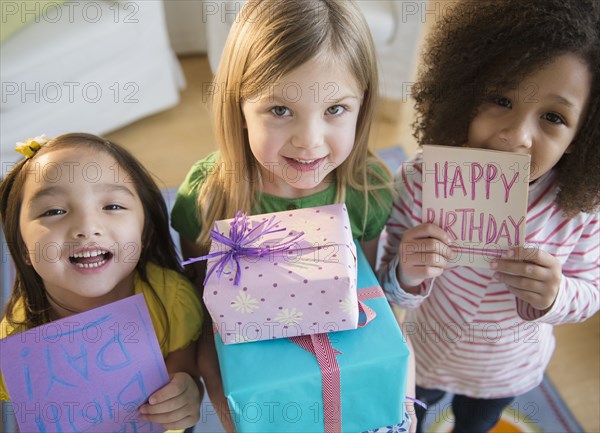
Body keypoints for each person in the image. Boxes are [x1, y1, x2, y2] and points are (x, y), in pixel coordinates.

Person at [170, 1, 412, 431]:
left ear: (364, 105)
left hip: (342, 392)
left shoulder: (367, 190)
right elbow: (202, 309)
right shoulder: (209, 194)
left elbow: (368, 295)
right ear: (239, 108)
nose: (309, 141)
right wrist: (229, 410)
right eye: (280, 110)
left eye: (335, 109)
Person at [378, 0, 600, 432]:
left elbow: (589, 292)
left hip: (507, 372)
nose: (515, 135)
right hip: (425, 354)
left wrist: (555, 293)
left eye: (553, 117)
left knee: (476, 426)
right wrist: (406, 271)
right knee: (410, 419)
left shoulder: (580, 213)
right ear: (465, 91)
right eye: (501, 99)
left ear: (580, 136)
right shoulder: (421, 179)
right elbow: (387, 285)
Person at [0, 133, 204, 432]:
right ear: (22, 249)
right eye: (54, 211)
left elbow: (184, 371)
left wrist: (188, 393)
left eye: (112, 206)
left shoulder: (170, 297)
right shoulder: (17, 338)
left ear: (144, 233)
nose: (86, 228)